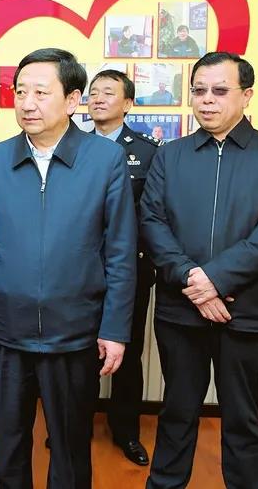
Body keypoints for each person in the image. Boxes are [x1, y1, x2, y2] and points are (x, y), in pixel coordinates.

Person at [0, 47, 137, 489]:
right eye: (20, 92)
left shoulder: (105, 159)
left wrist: (114, 329)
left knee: (71, 447)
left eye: (41, 92)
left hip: (74, 331)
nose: (27, 103)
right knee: (7, 444)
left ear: (72, 100)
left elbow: (120, 252)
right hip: (7, 328)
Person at [141, 52, 258, 489]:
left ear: (247, 95)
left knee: (242, 418)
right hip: (181, 311)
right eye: (199, 91)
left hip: (245, 312)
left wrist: (215, 279)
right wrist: (192, 279)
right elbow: (152, 222)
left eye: (219, 90)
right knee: (176, 412)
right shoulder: (170, 155)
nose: (207, 100)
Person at [88, 69, 162, 466]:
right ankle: (74, 425)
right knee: (79, 354)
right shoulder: (74, 145)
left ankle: (126, 431)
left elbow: (155, 216)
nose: (98, 98)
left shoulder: (149, 153)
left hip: (130, 271)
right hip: (81, 271)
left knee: (127, 353)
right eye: (93, 92)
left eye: (108, 93)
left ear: (128, 103)